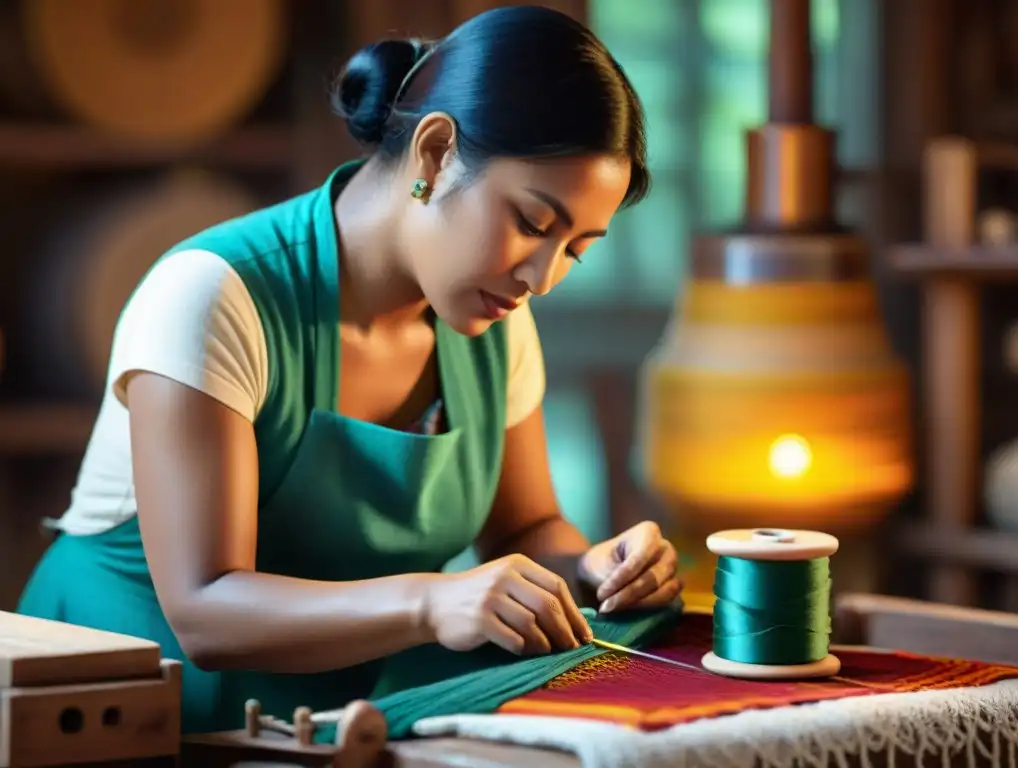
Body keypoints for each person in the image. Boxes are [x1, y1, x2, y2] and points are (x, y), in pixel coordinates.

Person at [17, 5, 683, 733]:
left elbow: (525, 529)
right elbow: (205, 610)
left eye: (576, 249)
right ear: (434, 154)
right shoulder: (213, 296)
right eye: (531, 222)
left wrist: (593, 569)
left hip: (338, 710)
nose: (543, 276)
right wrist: (434, 600)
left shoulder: (496, 320)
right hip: (122, 709)